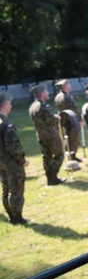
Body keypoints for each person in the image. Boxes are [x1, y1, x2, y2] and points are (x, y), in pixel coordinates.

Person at [0, 93, 29, 225]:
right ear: (4, 105)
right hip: (11, 162)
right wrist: (22, 160)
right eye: (9, 103)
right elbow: (13, 146)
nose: (11, 105)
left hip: (1, 162)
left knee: (6, 189)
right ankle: (17, 218)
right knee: (16, 189)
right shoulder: (6, 124)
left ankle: (11, 215)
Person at [29, 85, 66, 186]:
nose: (48, 93)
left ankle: (49, 178)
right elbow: (50, 120)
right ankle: (52, 176)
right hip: (50, 135)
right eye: (46, 91)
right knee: (59, 154)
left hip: (41, 135)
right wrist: (56, 117)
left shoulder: (33, 106)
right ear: (42, 94)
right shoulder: (43, 106)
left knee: (47, 156)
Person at [54, 79, 81, 162]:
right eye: (68, 84)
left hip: (64, 119)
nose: (70, 86)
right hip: (70, 120)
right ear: (64, 86)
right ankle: (72, 155)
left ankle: (68, 153)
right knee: (73, 138)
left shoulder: (58, 96)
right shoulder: (67, 97)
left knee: (67, 137)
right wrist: (79, 119)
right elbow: (74, 109)